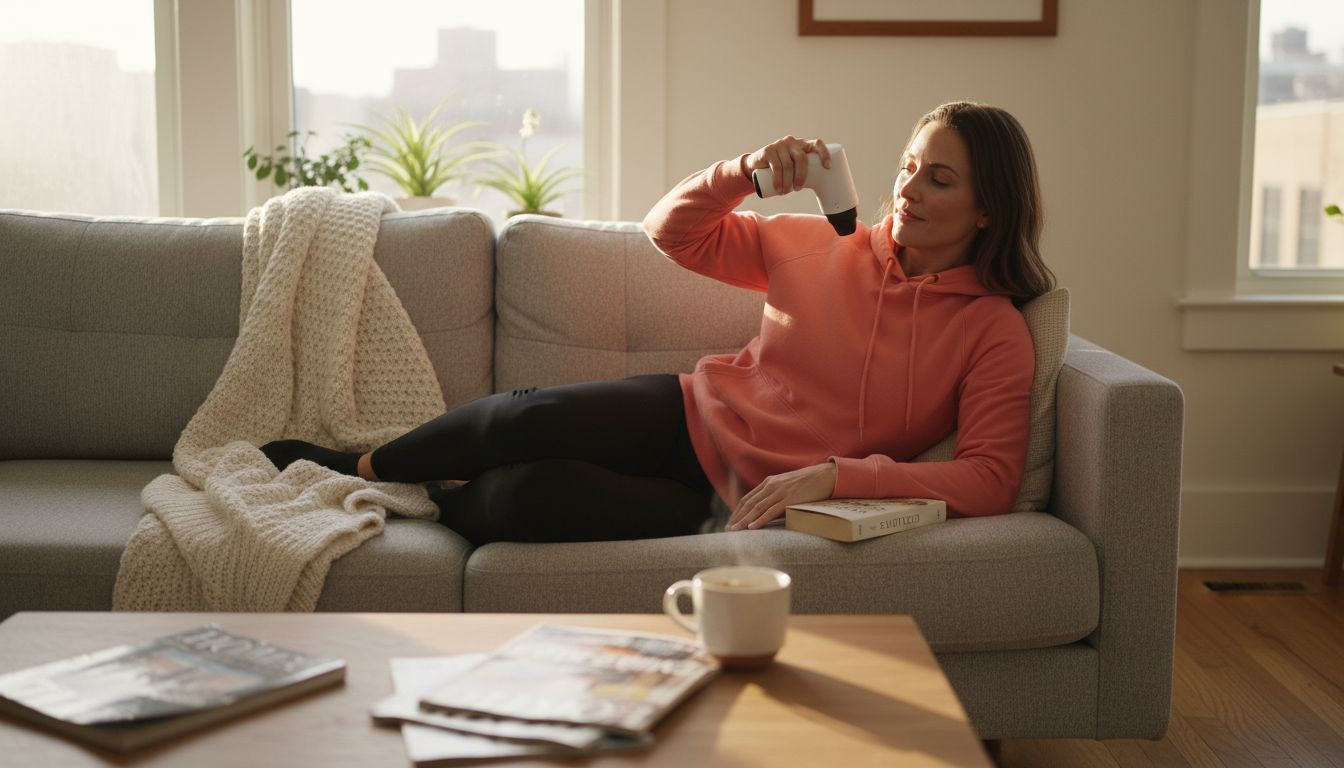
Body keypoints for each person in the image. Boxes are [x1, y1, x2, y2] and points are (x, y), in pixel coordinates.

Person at [261, 100, 1054, 546]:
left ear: (988, 209)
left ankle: (436, 499)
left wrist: (840, 474)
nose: (910, 189)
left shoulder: (992, 332)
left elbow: (987, 480)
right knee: (527, 414)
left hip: (743, 496)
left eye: (939, 178)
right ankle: (358, 468)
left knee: (528, 501)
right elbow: (672, 232)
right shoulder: (826, 244)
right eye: (909, 166)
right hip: (691, 411)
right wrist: (744, 173)